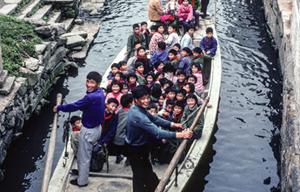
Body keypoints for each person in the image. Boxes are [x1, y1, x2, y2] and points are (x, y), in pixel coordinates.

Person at [125, 85, 193, 192]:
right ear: (136, 100)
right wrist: (181, 135)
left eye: (147, 97)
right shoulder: (138, 115)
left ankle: (155, 188)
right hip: (134, 149)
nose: (146, 101)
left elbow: (154, 119)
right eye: (142, 98)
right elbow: (158, 133)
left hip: (141, 146)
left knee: (147, 170)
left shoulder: (138, 107)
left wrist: (173, 125)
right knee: (138, 176)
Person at [53, 71, 105, 187]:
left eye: (92, 82)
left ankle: (82, 181)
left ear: (98, 84)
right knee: (85, 155)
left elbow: (74, 106)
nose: (88, 84)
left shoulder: (90, 97)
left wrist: (59, 107)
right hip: (97, 129)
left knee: (83, 157)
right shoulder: (100, 93)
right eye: (87, 81)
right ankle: (83, 173)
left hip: (89, 132)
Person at [91, 98, 119, 171]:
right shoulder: (100, 113)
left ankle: (96, 167)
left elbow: (111, 131)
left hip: (104, 138)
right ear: (107, 105)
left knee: (97, 151)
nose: (113, 108)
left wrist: (105, 142)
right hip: (96, 135)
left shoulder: (114, 117)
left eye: (115, 107)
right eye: (112, 106)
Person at [113, 94, 134, 164]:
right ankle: (128, 159)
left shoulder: (120, 110)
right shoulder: (131, 112)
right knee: (129, 148)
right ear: (130, 104)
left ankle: (118, 157)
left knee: (118, 149)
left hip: (117, 136)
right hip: (126, 136)